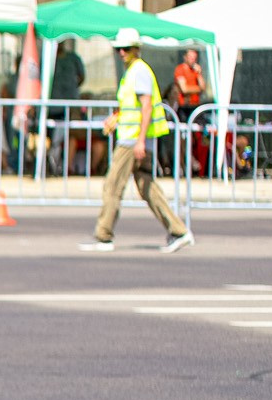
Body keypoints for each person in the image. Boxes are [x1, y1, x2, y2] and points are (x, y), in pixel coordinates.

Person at [81, 29, 191, 253]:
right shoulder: (133, 71)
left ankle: (104, 235)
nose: (121, 53)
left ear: (136, 50)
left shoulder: (139, 71)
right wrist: (117, 117)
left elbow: (147, 106)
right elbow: (132, 106)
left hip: (133, 141)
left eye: (126, 49)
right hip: (135, 138)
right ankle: (179, 231)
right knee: (146, 187)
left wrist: (140, 141)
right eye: (119, 49)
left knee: (113, 185)